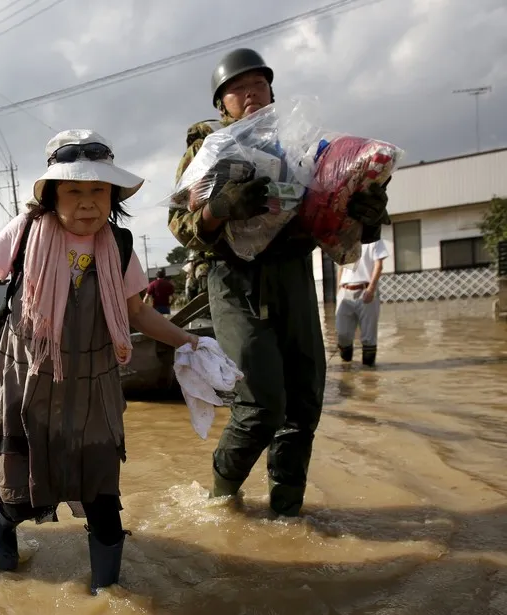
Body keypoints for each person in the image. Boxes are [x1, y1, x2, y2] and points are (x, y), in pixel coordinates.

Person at [0, 129, 200, 594]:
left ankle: (107, 596)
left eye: (98, 190)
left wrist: (187, 340)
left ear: (112, 196)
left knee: (103, 495)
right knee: (18, 491)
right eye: (74, 190)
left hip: (94, 385)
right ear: (51, 195)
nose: (87, 202)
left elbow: (136, 313)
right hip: (27, 376)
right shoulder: (25, 231)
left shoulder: (121, 246)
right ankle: (4, 539)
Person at [166, 48, 390, 516]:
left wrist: (364, 217)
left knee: (304, 402)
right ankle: (221, 499)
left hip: (294, 276)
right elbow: (181, 222)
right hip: (233, 282)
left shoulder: (302, 143)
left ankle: (288, 513)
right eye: (237, 88)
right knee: (262, 403)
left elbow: (327, 214)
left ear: (272, 91)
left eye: (259, 85)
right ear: (220, 102)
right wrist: (219, 208)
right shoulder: (206, 147)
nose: (250, 94)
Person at [335, 239, 388, 367]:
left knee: (368, 338)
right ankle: (346, 368)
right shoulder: (346, 241)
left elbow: (378, 265)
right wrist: (338, 291)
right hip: (345, 291)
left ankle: (369, 378)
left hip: (366, 290)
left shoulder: (375, 241)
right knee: (342, 334)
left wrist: (371, 289)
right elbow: (341, 267)